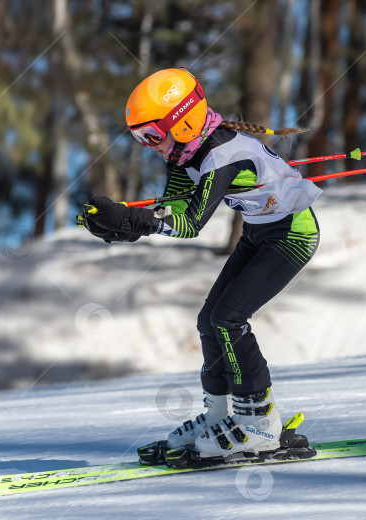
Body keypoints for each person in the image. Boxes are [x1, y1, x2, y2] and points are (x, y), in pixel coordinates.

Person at [83, 68, 322, 460]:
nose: (147, 145)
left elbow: (192, 223)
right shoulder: (184, 153)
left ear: (182, 121)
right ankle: (219, 414)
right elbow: (172, 208)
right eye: (140, 137)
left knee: (229, 318)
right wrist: (124, 224)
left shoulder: (221, 155)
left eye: (151, 135)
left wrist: (142, 222)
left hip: (292, 235)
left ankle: (260, 422)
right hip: (260, 234)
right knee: (209, 319)